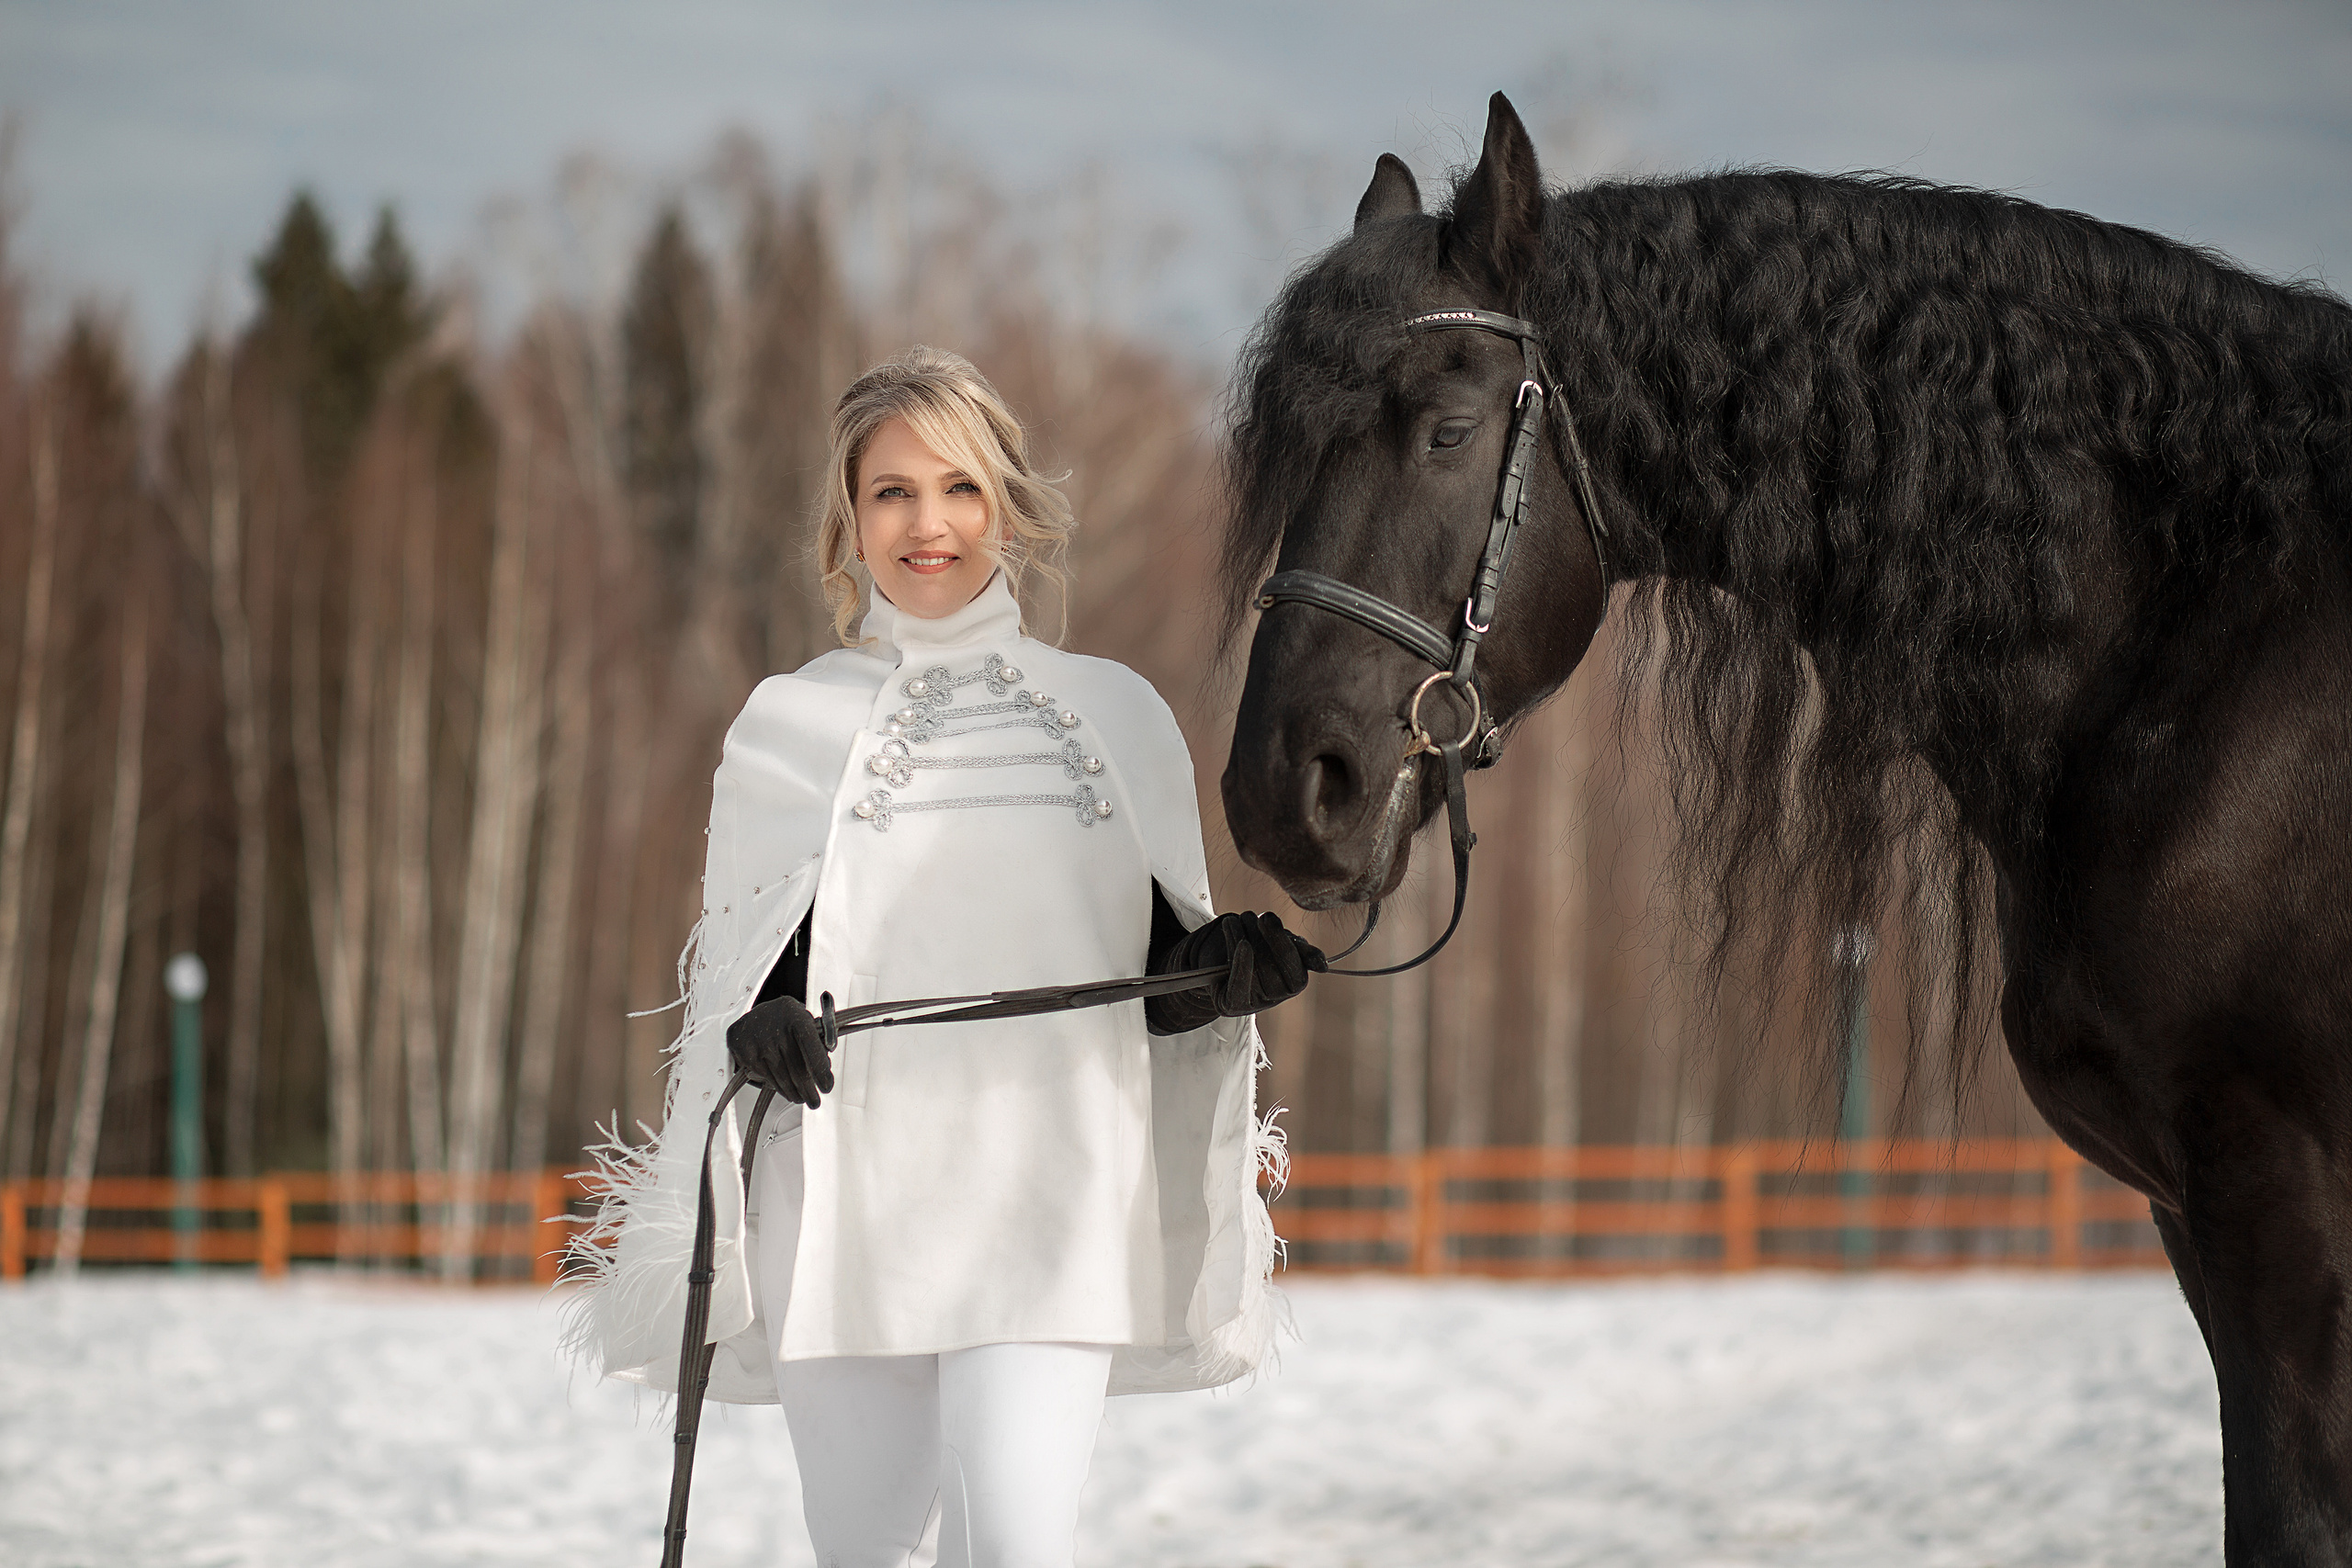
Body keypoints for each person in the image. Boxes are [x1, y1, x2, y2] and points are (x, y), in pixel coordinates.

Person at [567, 346, 1316, 1568]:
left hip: (1055, 1190)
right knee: (859, 1553)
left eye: (960, 488)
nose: (930, 524)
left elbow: (1158, 974)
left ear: (1010, 508)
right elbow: (751, 965)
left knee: (1017, 1546)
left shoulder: (1118, 713)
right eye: (892, 492)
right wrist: (761, 1021)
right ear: (848, 520)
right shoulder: (786, 724)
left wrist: (1222, 968)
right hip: (850, 1202)